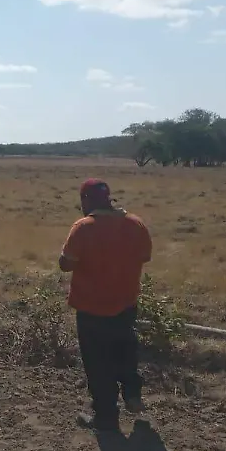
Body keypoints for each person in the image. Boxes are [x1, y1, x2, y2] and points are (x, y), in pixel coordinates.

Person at [58, 178, 153, 432]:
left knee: (97, 362)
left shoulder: (83, 227)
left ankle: (106, 415)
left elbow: (66, 263)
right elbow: (145, 256)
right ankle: (132, 392)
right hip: (126, 303)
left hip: (92, 307)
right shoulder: (136, 224)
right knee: (124, 349)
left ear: (86, 201)